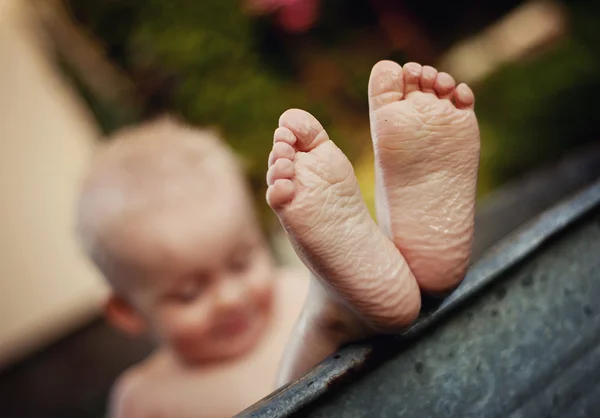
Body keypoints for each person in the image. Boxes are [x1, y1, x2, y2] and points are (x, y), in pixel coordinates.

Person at [75, 60, 480, 418]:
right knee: (295, 382)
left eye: (241, 263)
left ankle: (407, 260)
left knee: (378, 303)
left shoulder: (290, 291)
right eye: (189, 294)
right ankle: (335, 318)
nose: (230, 298)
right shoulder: (144, 400)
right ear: (126, 310)